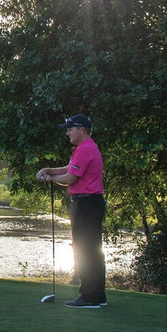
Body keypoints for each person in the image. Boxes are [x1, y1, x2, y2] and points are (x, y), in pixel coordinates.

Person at [36, 114, 107, 308]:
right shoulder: (83, 148)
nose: (67, 132)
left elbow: (70, 178)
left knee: (86, 249)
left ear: (81, 129)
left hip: (86, 203)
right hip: (88, 203)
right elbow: (69, 169)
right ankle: (97, 295)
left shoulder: (85, 149)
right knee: (91, 249)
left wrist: (49, 178)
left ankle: (90, 297)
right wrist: (49, 170)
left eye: (70, 129)